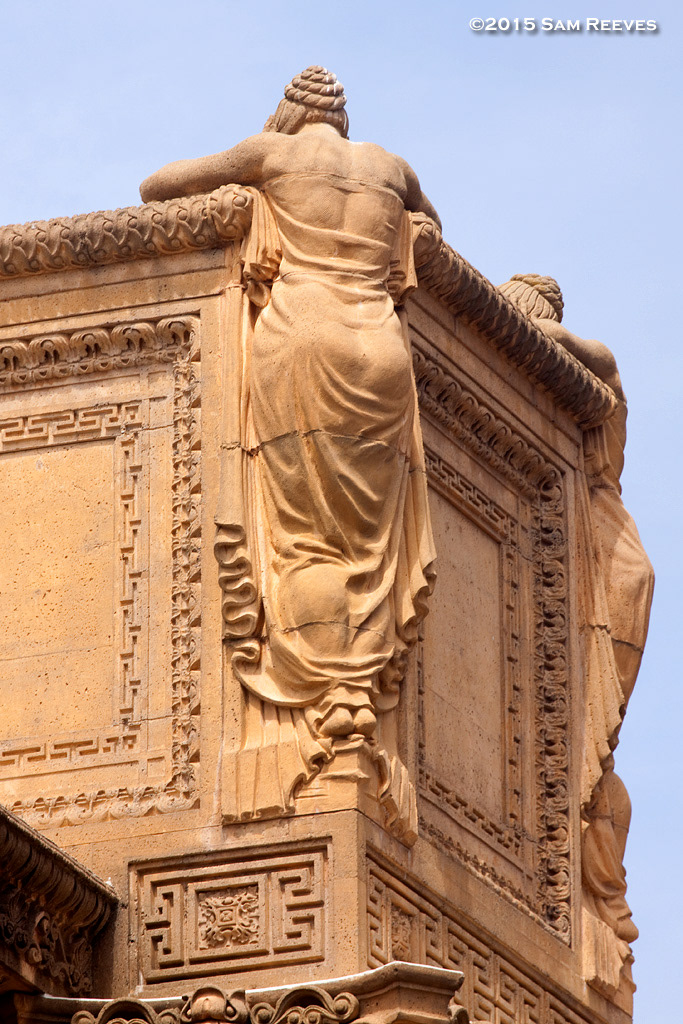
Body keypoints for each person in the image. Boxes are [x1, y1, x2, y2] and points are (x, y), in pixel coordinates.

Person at [141, 68, 437, 815]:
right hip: (381, 349)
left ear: (290, 111)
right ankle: (357, 698)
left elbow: (160, 185)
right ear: (343, 120)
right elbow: (430, 228)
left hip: (303, 336)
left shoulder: (275, 155)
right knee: (368, 547)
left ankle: (330, 706)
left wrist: (265, 148)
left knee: (305, 539)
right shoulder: (389, 168)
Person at [499, 273, 654, 994]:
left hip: (604, 549)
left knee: (594, 736)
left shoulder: (591, 373)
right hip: (602, 547)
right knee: (595, 745)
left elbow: (589, 354)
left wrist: (503, 314)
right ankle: (600, 905)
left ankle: (598, 901)